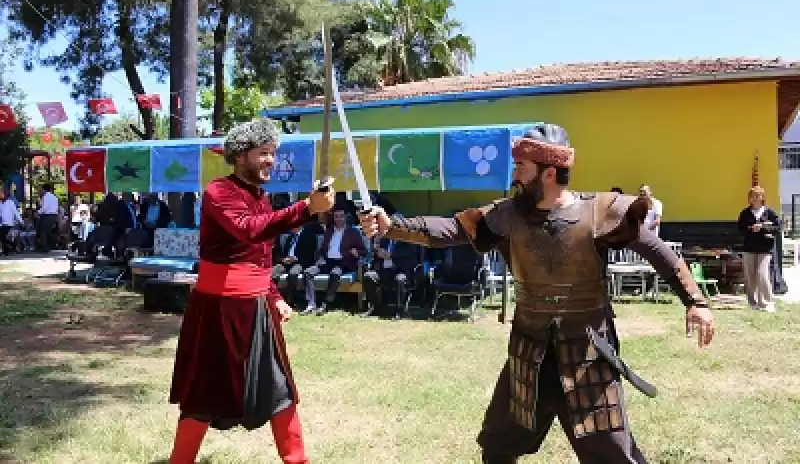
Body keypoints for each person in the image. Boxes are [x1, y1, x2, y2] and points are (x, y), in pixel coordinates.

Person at [359, 123, 715, 464]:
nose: (515, 175)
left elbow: (657, 250)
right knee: (498, 445)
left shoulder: (599, 213)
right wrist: (393, 226)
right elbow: (452, 228)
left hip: (587, 353)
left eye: (521, 167)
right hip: (529, 352)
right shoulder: (508, 214)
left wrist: (695, 302)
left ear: (548, 172)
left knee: (612, 454)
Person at [167, 118, 335, 464]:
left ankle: (297, 460)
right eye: (263, 153)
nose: (271, 160)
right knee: (204, 396)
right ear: (240, 156)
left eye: (273, 153)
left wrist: (273, 295)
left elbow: (259, 255)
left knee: (280, 390)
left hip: (256, 308)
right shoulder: (218, 191)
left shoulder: (261, 198)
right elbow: (248, 230)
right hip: (218, 310)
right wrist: (306, 208)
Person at [737, 186, 780, 313]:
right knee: (750, 276)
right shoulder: (745, 213)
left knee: (762, 274)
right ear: (749, 199)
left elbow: (777, 228)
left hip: (765, 248)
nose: (755, 198)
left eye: (757, 196)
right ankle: (753, 302)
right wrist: (751, 228)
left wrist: (763, 228)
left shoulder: (770, 212)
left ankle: (768, 302)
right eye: (752, 196)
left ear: (762, 197)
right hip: (749, 248)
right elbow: (740, 229)